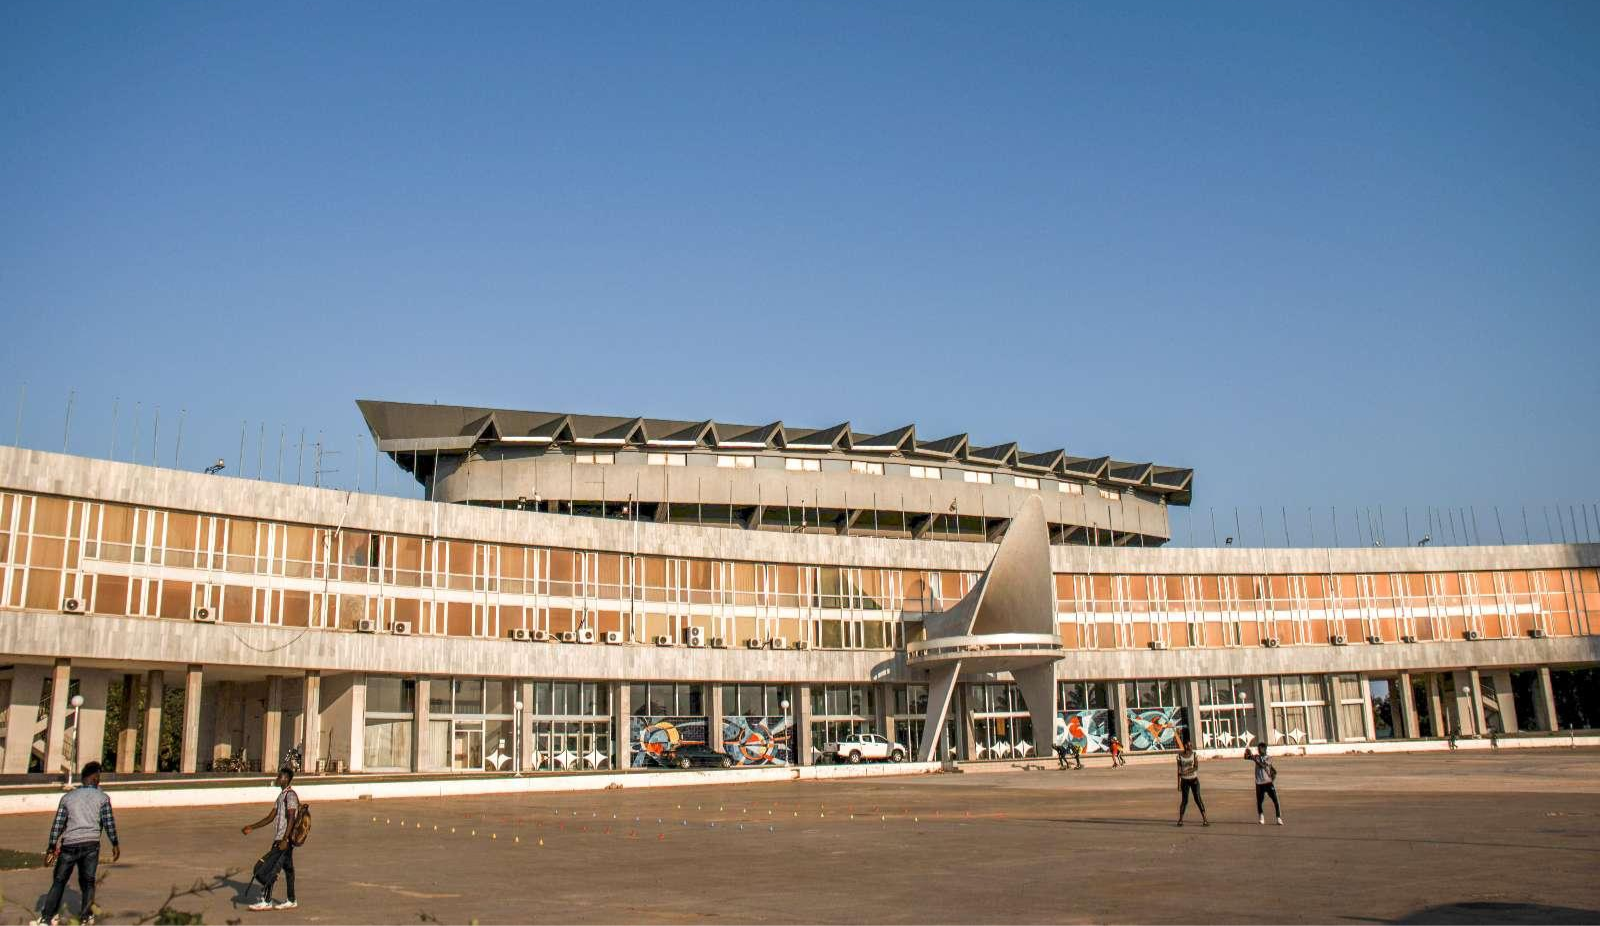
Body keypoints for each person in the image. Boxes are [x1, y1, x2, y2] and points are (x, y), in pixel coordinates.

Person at [35, 761, 120, 926]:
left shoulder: (68, 797)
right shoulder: (103, 798)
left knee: (59, 881)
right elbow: (108, 823)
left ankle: (47, 917)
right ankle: (86, 916)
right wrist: (115, 843)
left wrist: (51, 847)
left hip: (69, 845)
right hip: (91, 845)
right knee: (88, 881)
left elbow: (58, 824)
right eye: (99, 777)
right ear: (95, 778)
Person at [241, 767, 300, 911]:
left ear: (285, 778)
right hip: (281, 840)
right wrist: (252, 827)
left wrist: (285, 839)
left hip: (283, 841)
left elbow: (292, 817)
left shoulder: (290, 795)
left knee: (267, 870)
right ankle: (291, 900)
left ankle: (266, 901)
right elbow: (270, 817)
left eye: (279, 776)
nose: (277, 779)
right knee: (289, 870)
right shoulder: (281, 796)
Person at [1243, 743, 1283, 825]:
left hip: (1268, 782)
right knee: (1259, 801)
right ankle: (1261, 816)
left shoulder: (1269, 758)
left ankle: (1278, 818)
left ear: (1264, 749)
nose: (1258, 750)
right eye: (1258, 748)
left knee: (1275, 800)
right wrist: (1247, 752)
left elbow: (1262, 765)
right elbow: (1246, 757)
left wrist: (1253, 758)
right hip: (1259, 783)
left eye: (1260, 748)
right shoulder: (1256, 757)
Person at [1175, 738, 1208, 826]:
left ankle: (1205, 819)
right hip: (1184, 781)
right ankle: (1181, 819)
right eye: (1188, 745)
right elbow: (1178, 770)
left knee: (1198, 798)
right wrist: (1178, 784)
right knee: (1184, 801)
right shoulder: (1179, 756)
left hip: (1194, 780)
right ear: (1185, 746)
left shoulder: (1194, 755)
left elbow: (1196, 767)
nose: (1189, 747)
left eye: (1190, 745)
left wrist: (1185, 772)